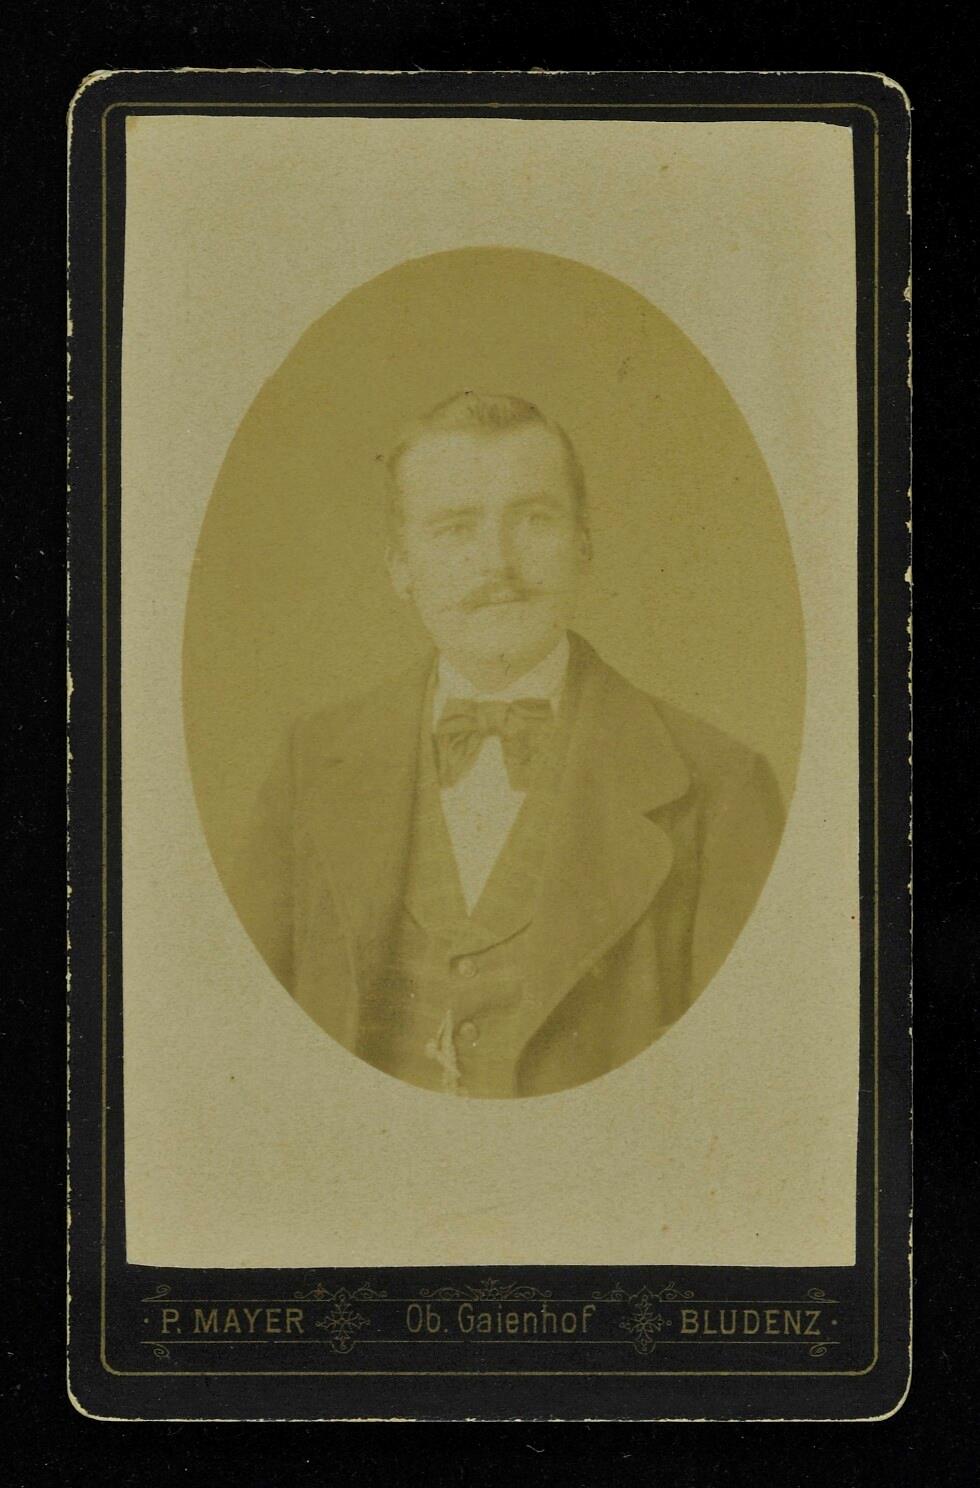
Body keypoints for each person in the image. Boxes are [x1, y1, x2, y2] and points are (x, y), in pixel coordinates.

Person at [233, 391, 784, 1098]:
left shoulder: (721, 788)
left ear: (583, 546)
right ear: (401, 568)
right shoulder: (310, 764)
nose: (497, 562)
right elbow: (242, 1042)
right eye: (455, 528)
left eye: (534, 519)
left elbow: (745, 1085)